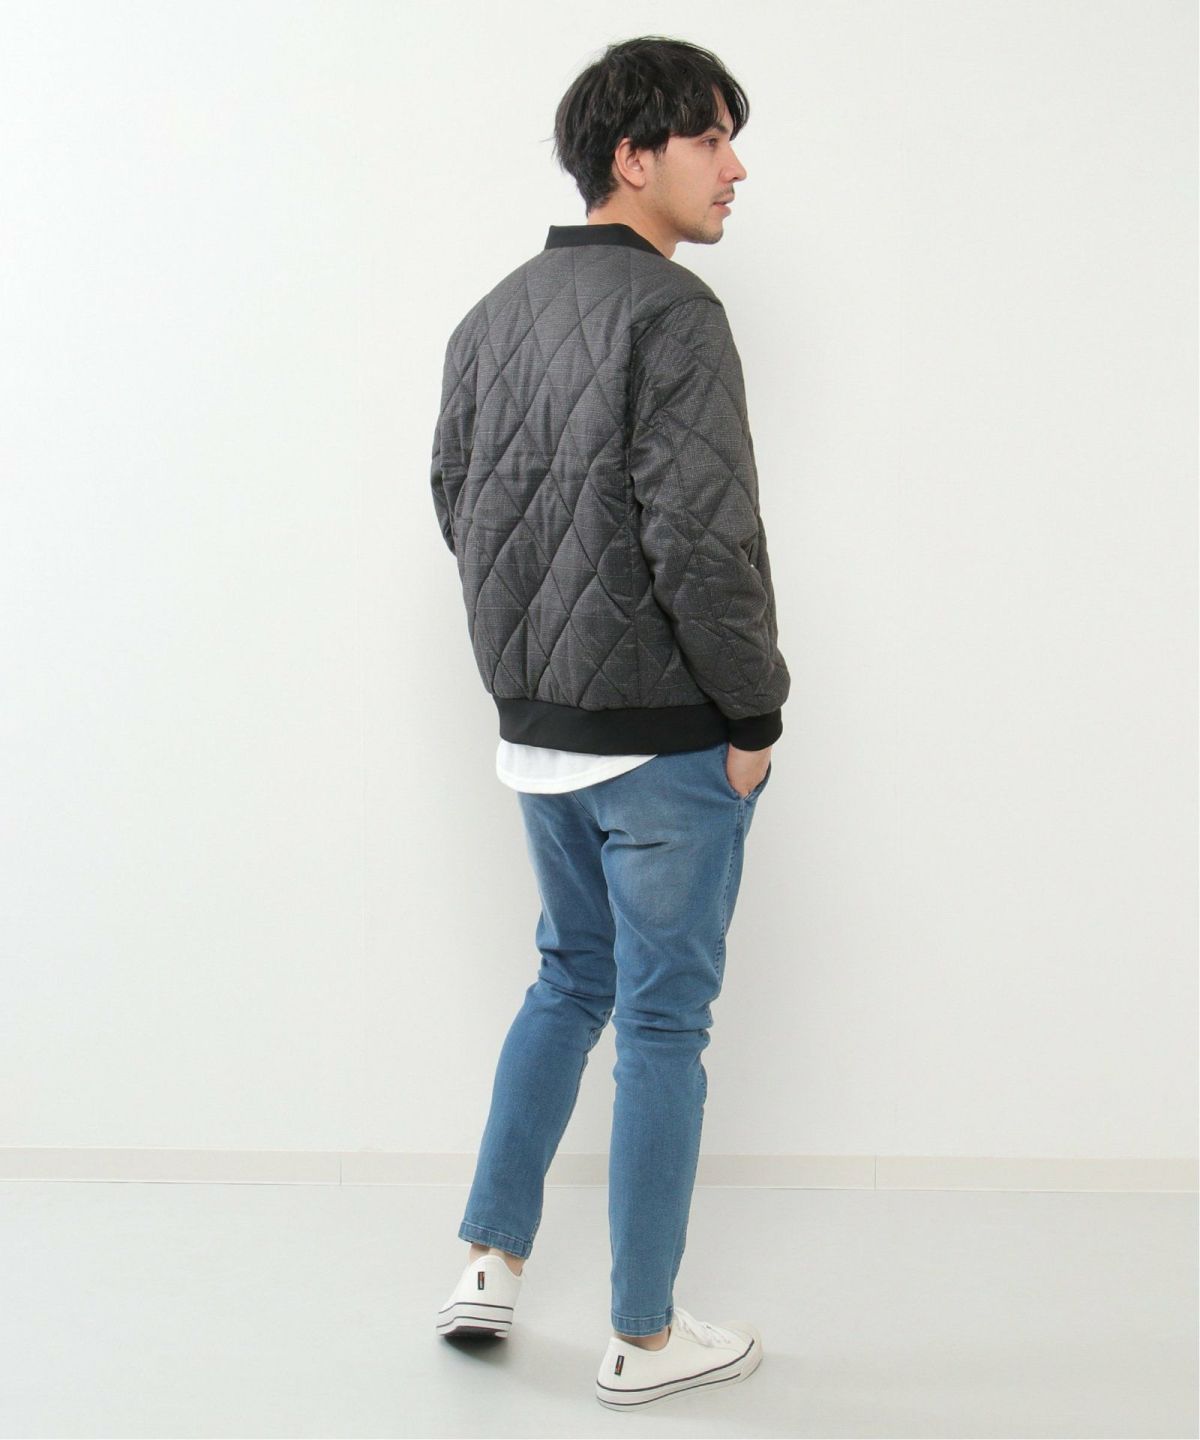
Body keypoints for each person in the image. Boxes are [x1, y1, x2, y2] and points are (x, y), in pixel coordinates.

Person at [430, 35, 790, 1409]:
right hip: (662, 735)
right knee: (660, 1026)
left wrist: (537, 663)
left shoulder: (491, 314)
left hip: (540, 733)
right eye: (711, 138)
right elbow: (702, 537)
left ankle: (487, 1264)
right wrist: (752, 709)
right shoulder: (674, 315)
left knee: (567, 981)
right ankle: (645, 1338)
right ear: (634, 158)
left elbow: (457, 501)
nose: (735, 167)